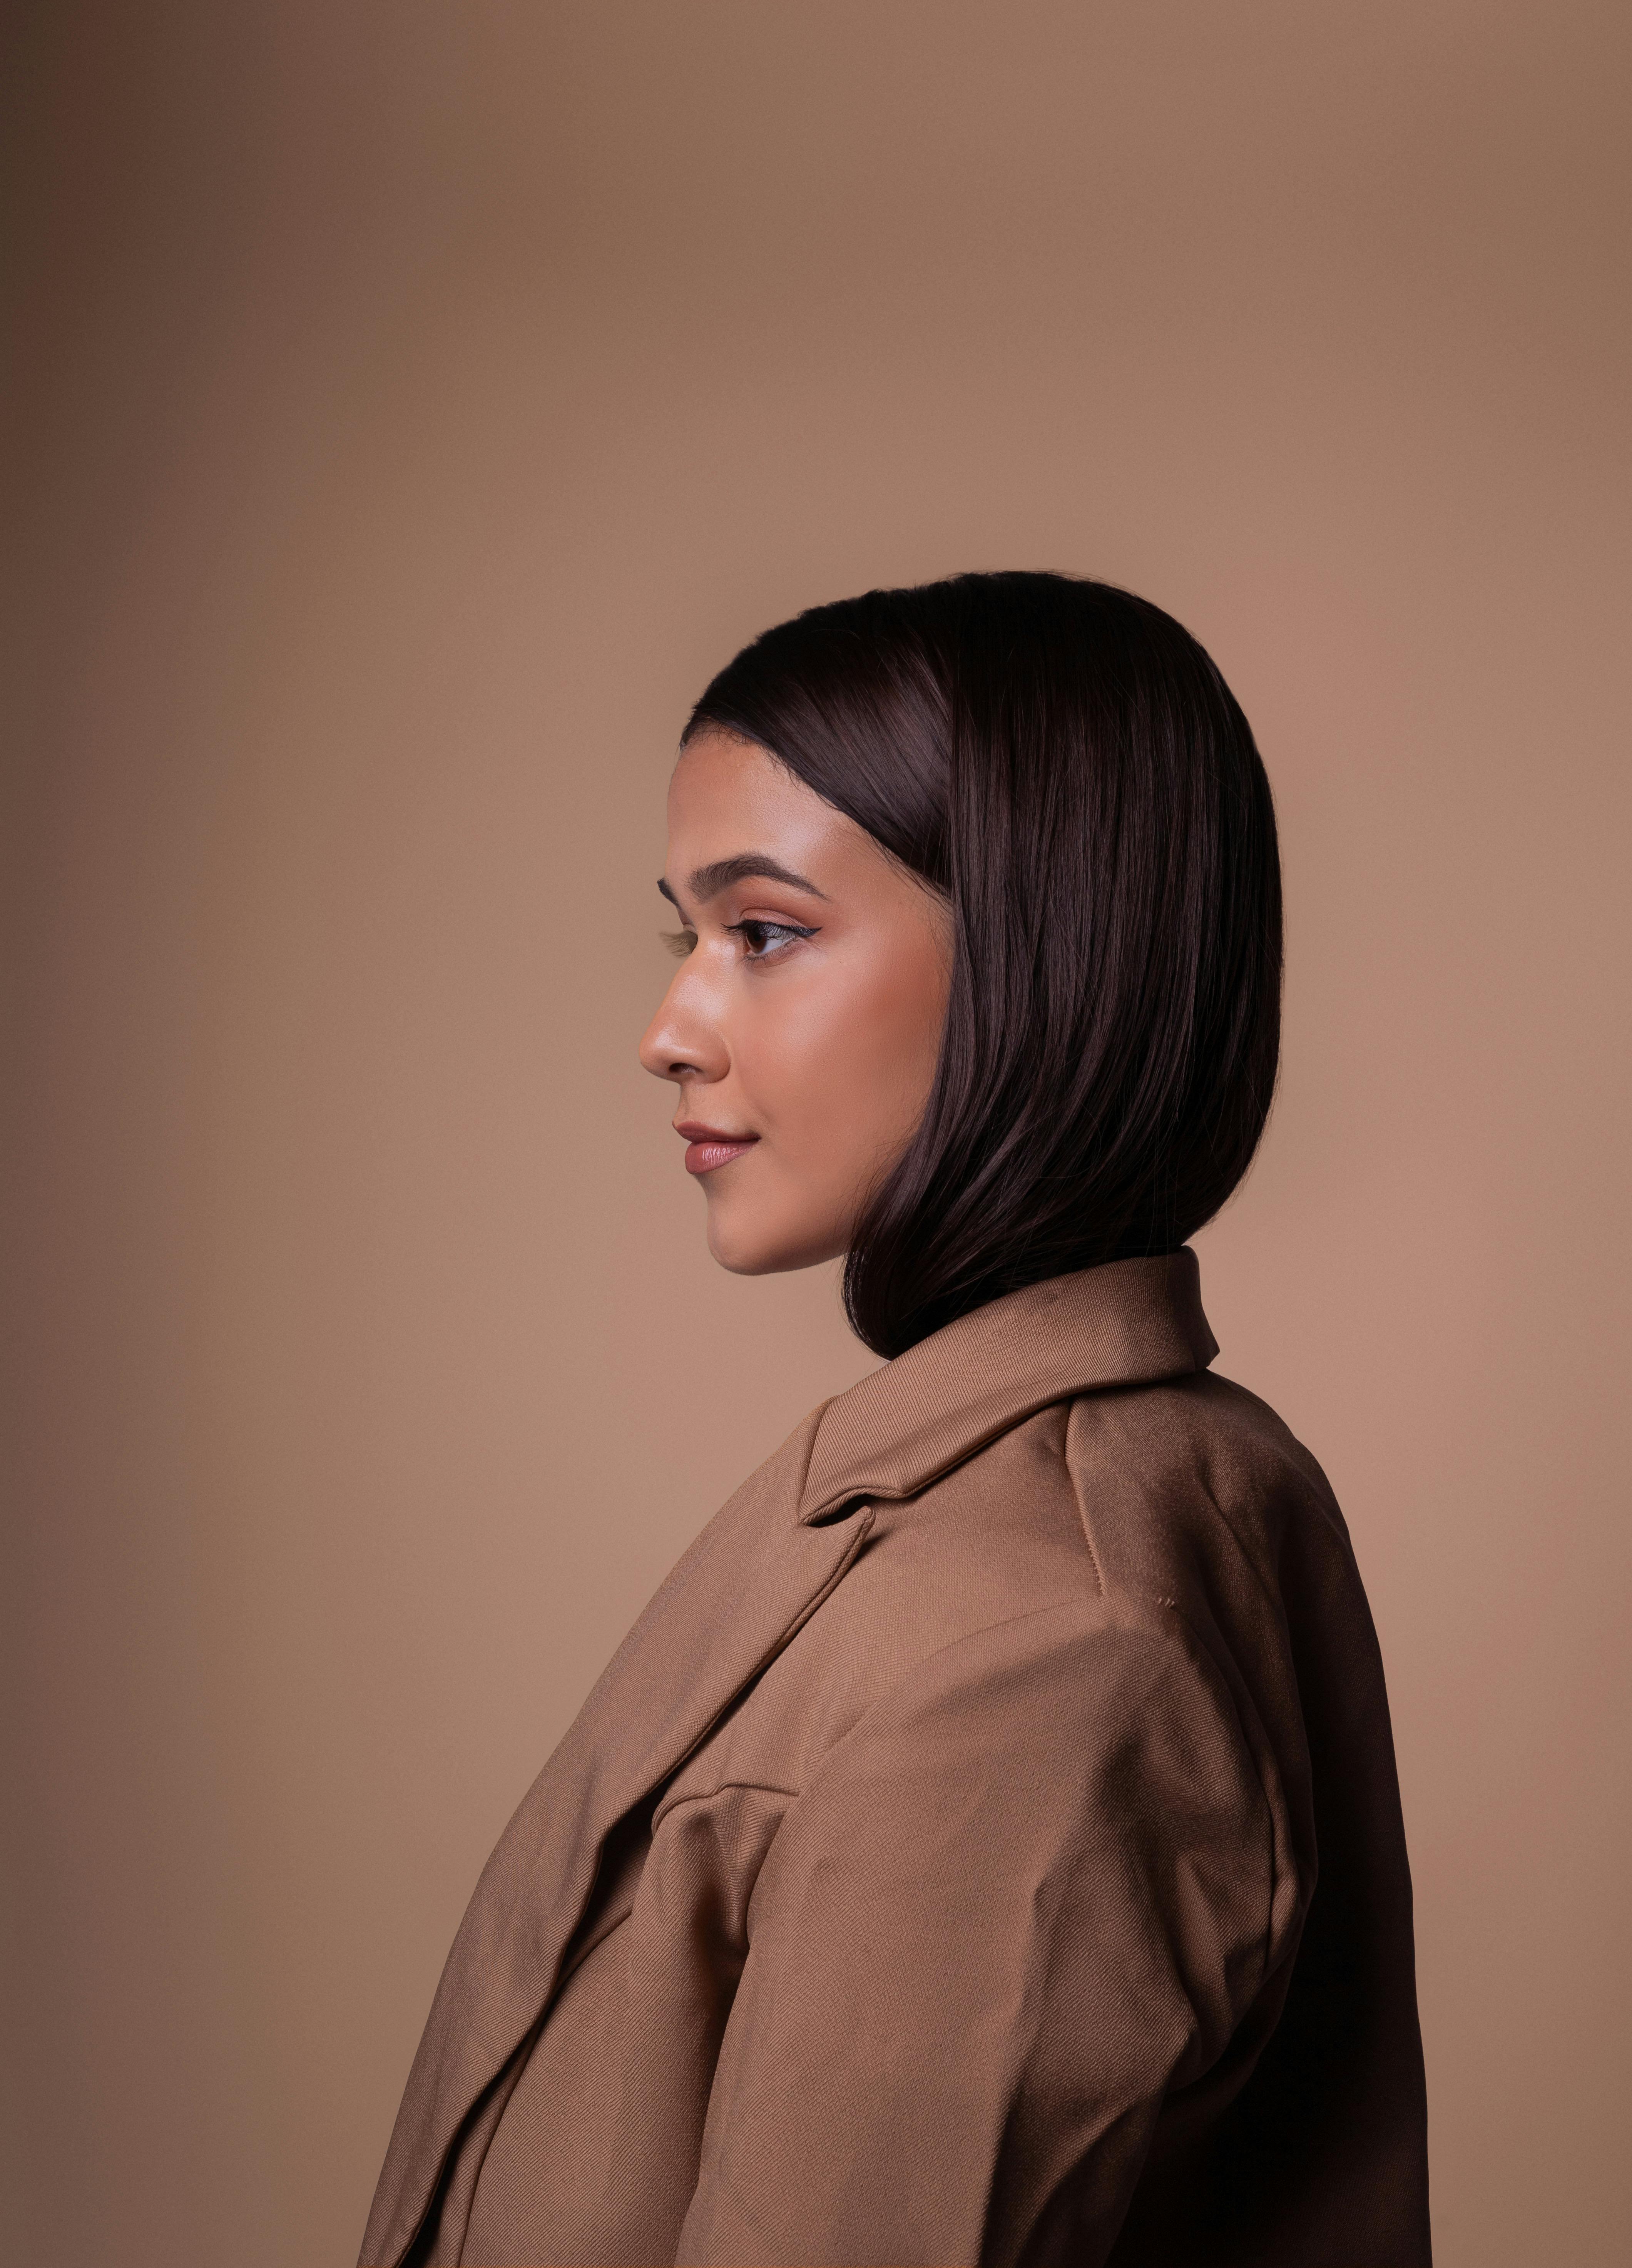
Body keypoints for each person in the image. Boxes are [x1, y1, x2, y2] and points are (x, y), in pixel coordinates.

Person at [359, 572, 1429, 2267]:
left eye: (765, 931)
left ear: (1041, 956)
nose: (668, 1031)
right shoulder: (1024, 1511)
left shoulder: (1039, 1636)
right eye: (684, 936)